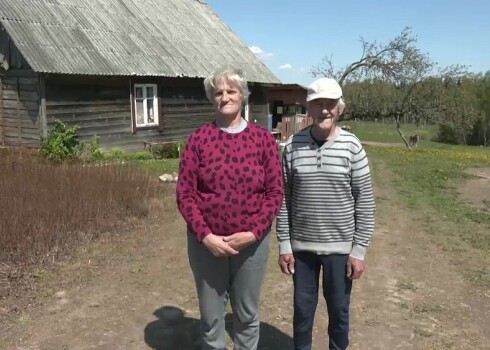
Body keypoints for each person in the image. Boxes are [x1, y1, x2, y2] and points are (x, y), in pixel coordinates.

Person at [176, 67, 284, 350]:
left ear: (243, 95)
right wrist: (206, 237)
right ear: (212, 98)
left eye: (231, 91)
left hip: (252, 245)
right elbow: (185, 194)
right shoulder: (198, 140)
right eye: (218, 92)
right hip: (206, 246)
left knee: (247, 314)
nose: (224, 97)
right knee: (211, 318)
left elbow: (275, 193)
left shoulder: (263, 140)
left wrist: (254, 232)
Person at [276, 77, 376, 350]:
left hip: (340, 250)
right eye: (318, 104)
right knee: (302, 314)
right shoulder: (292, 147)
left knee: (339, 315)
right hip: (302, 250)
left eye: (330, 104)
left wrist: (359, 251)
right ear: (308, 108)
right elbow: (283, 199)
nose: (324, 111)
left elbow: (365, 201)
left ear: (339, 108)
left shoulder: (352, 147)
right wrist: (284, 244)